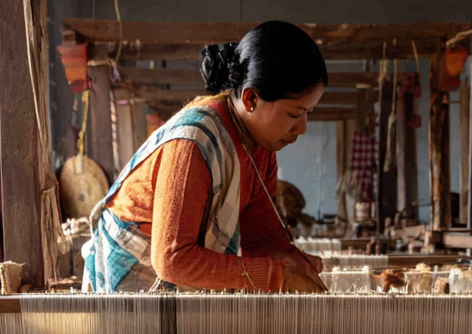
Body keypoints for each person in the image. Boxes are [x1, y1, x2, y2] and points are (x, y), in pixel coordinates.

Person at [83, 21, 328, 293]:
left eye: (309, 113)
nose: (302, 128)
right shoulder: (193, 144)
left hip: (174, 285)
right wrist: (276, 276)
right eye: (294, 114)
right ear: (251, 99)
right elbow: (172, 260)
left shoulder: (260, 148)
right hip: (134, 283)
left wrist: (293, 261)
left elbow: (262, 237)